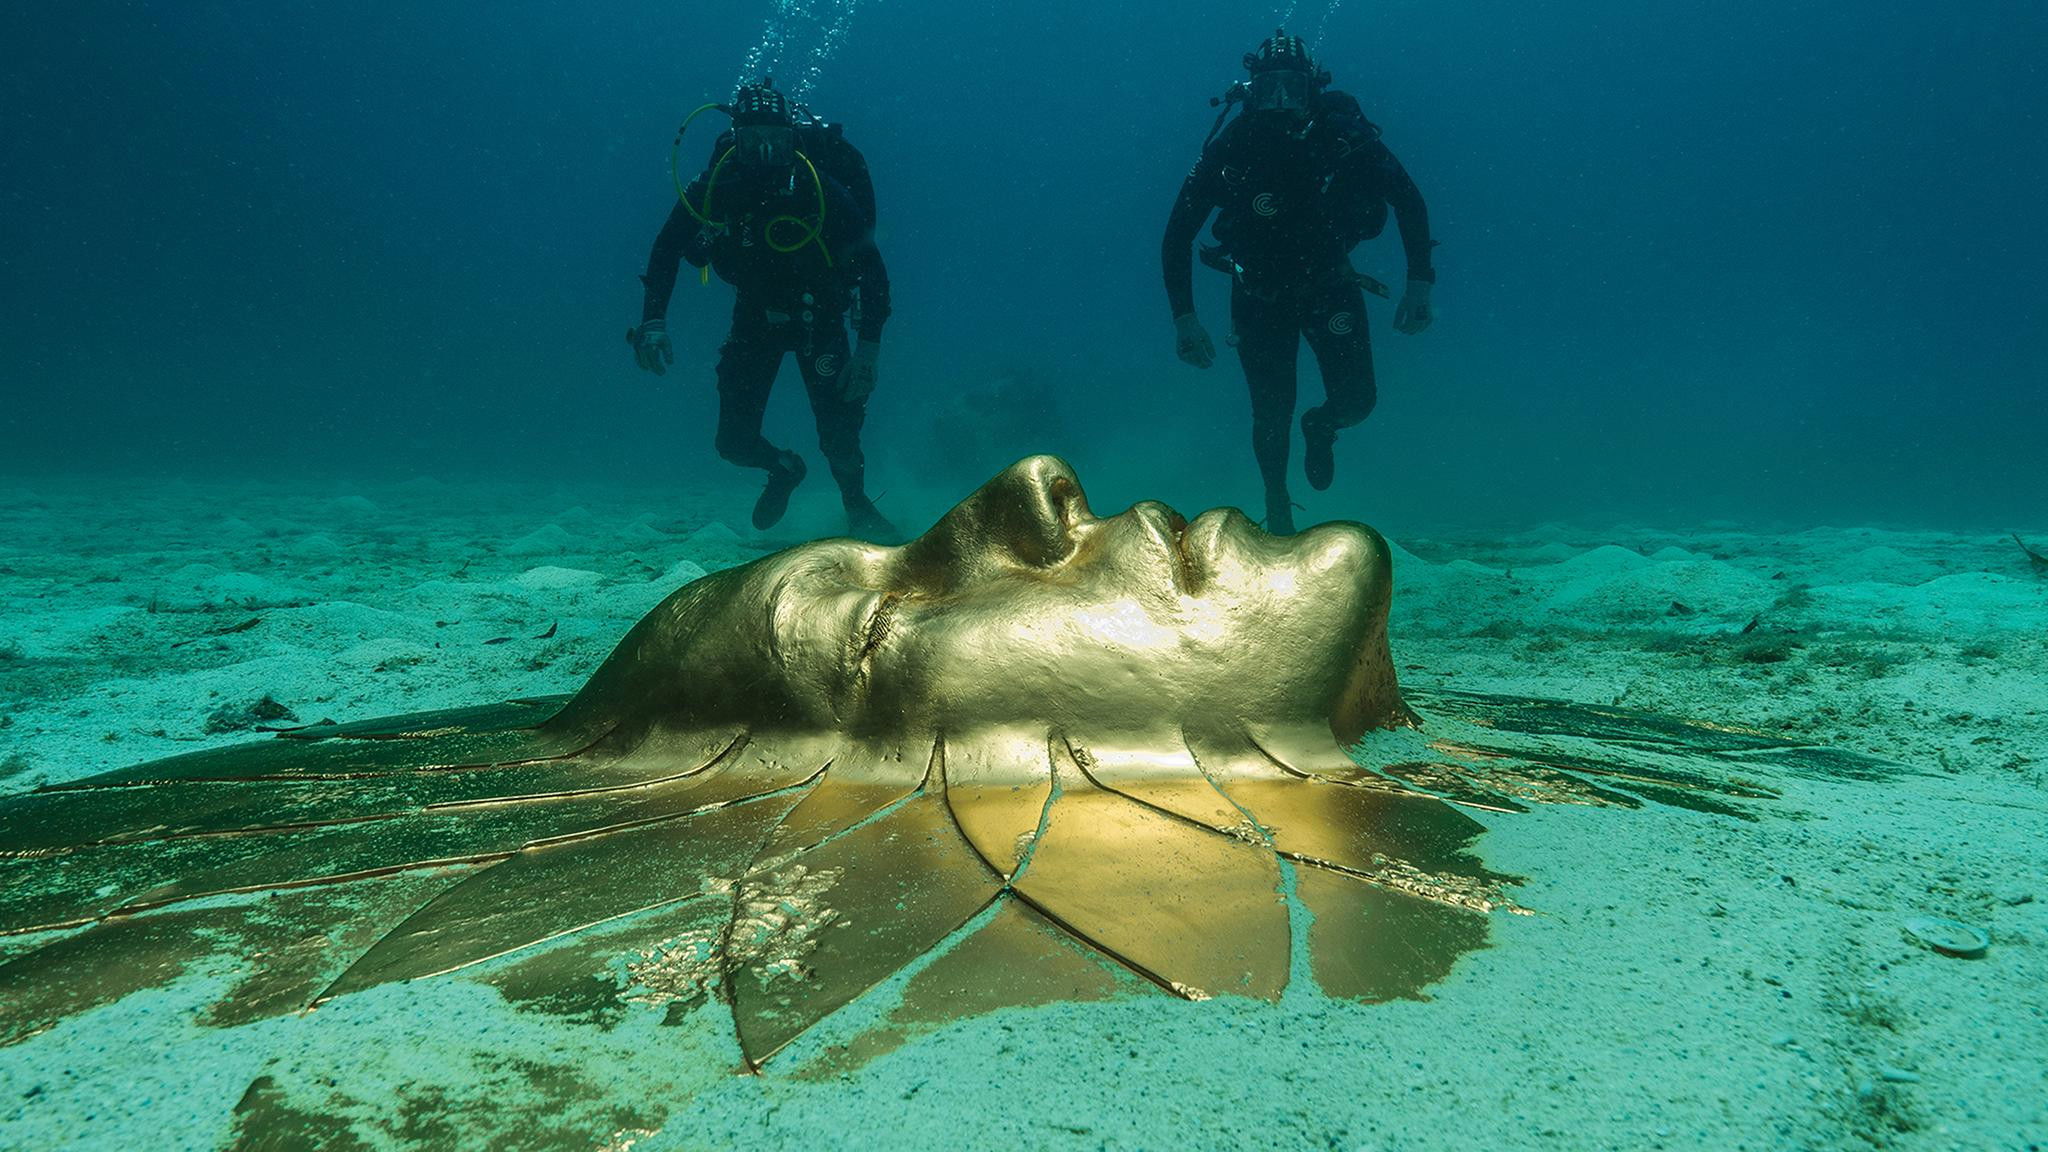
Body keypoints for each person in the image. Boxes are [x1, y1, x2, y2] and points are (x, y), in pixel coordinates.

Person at [1162, 30, 1437, 534]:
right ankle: (1279, 509)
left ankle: (1323, 424)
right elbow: (1177, 234)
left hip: (1330, 287)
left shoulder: (1345, 136)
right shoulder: (1234, 146)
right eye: (1270, 90)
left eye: (1292, 88)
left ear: (1313, 87)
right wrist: (1184, 318)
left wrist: (1420, 282)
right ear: (1253, 90)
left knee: (1359, 401)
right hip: (1257, 296)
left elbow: (1408, 200)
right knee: (1270, 412)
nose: (1282, 102)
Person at [630, 79, 897, 539]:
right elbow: (667, 246)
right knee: (732, 443)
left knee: (840, 436)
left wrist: (868, 352)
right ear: (736, 140)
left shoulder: (823, 190)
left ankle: (855, 503)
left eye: (777, 139)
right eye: (753, 140)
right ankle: (784, 469)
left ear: (794, 139)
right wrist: (654, 321)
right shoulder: (717, 187)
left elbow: (872, 269)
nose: (767, 151)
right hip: (754, 321)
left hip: (821, 318)